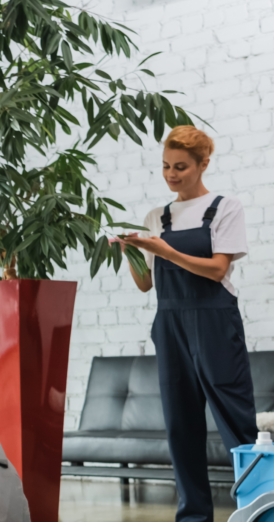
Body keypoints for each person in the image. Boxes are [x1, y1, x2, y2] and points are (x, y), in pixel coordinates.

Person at [119, 125, 257, 522]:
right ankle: (194, 516)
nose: (171, 174)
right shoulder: (155, 217)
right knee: (181, 426)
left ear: (203, 164)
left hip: (214, 320)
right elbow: (146, 284)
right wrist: (130, 251)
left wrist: (164, 249)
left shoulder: (225, 207)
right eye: (165, 166)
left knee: (236, 420)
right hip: (170, 322)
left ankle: (257, 508)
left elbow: (217, 270)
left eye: (180, 166)